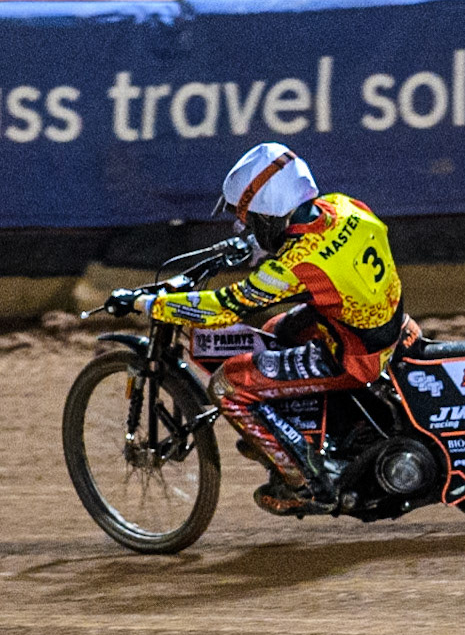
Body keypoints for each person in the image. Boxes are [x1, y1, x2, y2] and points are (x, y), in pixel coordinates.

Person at [108, 142, 413, 514]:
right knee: (273, 331)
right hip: (385, 323)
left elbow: (224, 307)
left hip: (356, 355)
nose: (245, 225)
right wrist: (249, 244)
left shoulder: (296, 266)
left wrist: (147, 303)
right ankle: (303, 429)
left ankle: (302, 483)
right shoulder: (344, 206)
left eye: (250, 219)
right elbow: (304, 240)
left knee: (228, 385)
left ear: (270, 216)